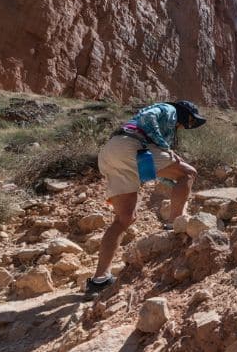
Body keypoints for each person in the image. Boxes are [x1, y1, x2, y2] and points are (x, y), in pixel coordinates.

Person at [84, 100, 206, 296]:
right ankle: (175, 222)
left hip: (110, 152)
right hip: (131, 147)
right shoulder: (170, 109)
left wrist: (169, 157)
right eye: (189, 120)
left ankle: (99, 279)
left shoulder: (146, 121)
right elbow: (150, 119)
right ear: (184, 113)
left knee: (125, 219)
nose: (185, 126)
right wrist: (165, 147)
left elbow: (161, 171)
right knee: (189, 173)